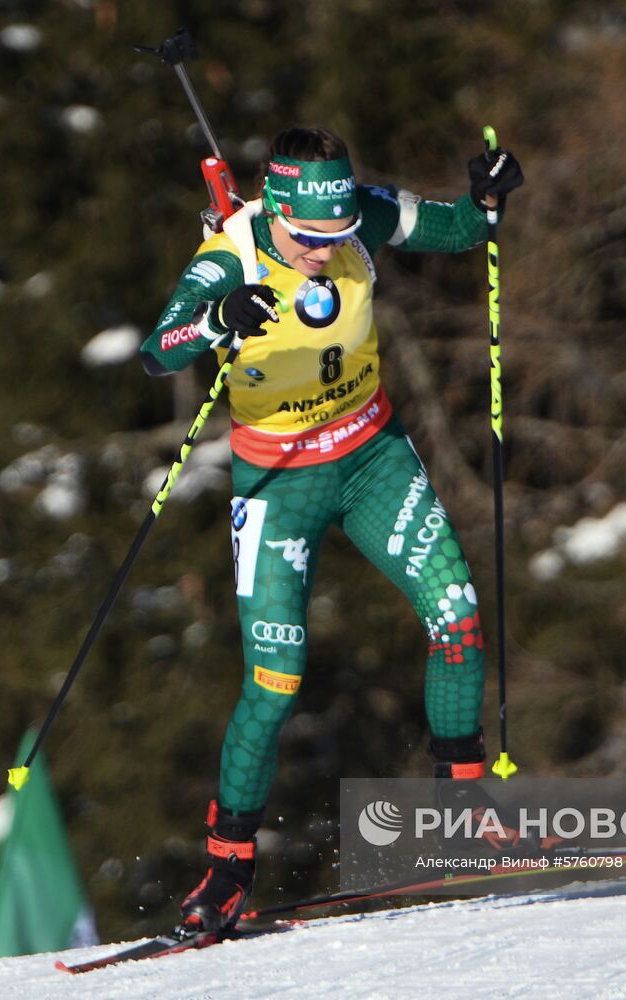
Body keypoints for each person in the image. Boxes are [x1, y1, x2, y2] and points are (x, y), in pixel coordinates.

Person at [140, 125, 524, 933]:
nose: (326, 249)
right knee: (275, 679)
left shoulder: (356, 216)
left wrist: (488, 197)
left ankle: (464, 800)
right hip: (279, 484)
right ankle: (226, 870)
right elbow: (158, 348)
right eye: (310, 237)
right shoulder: (231, 256)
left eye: (338, 233)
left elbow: (457, 228)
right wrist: (218, 317)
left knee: (454, 614)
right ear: (276, 209)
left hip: (370, 458)